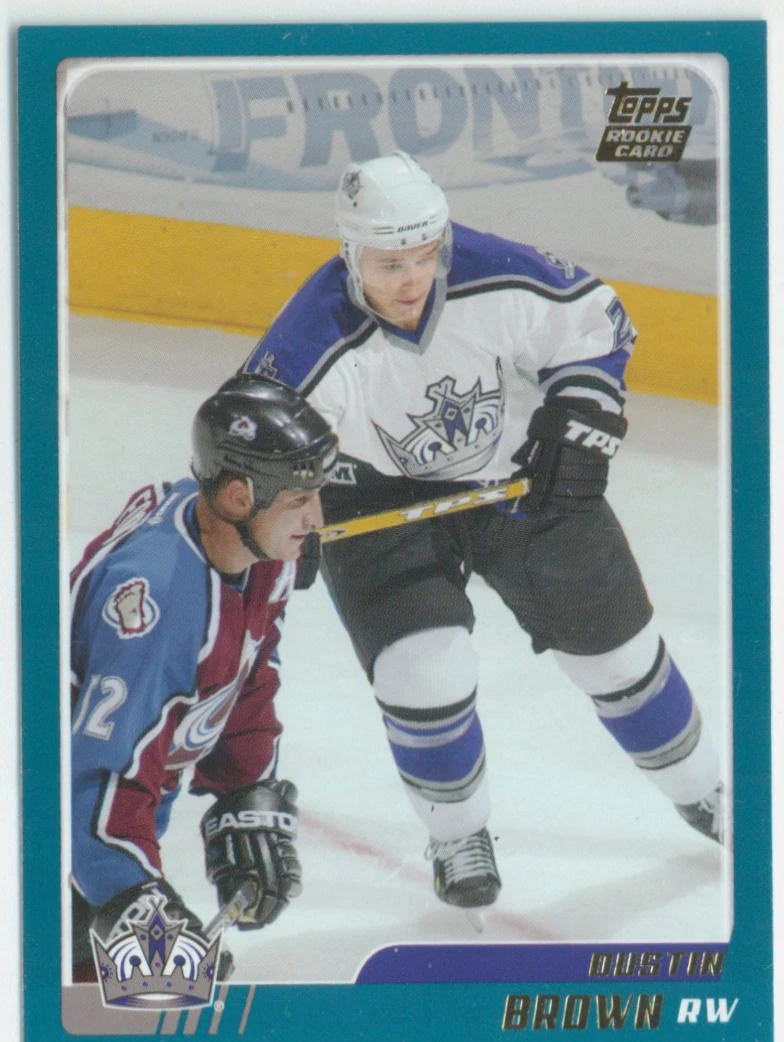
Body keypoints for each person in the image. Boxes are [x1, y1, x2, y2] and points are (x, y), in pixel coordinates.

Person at [241, 151, 726, 915]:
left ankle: (706, 791)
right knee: (422, 672)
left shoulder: (494, 270)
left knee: (619, 657)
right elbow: (249, 443)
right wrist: (277, 513)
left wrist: (580, 414)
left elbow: (595, 322)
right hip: (372, 497)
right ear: (350, 252)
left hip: (517, 476)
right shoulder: (307, 341)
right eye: (389, 262)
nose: (412, 278)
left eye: (425, 254)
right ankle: (457, 835)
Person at [69, 374, 337, 980]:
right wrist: (135, 906)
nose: (317, 518)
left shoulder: (250, 543)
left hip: (99, 841)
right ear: (239, 497)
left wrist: (243, 787)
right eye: (300, 499)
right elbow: (89, 790)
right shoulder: (160, 604)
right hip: (42, 849)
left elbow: (249, 667)